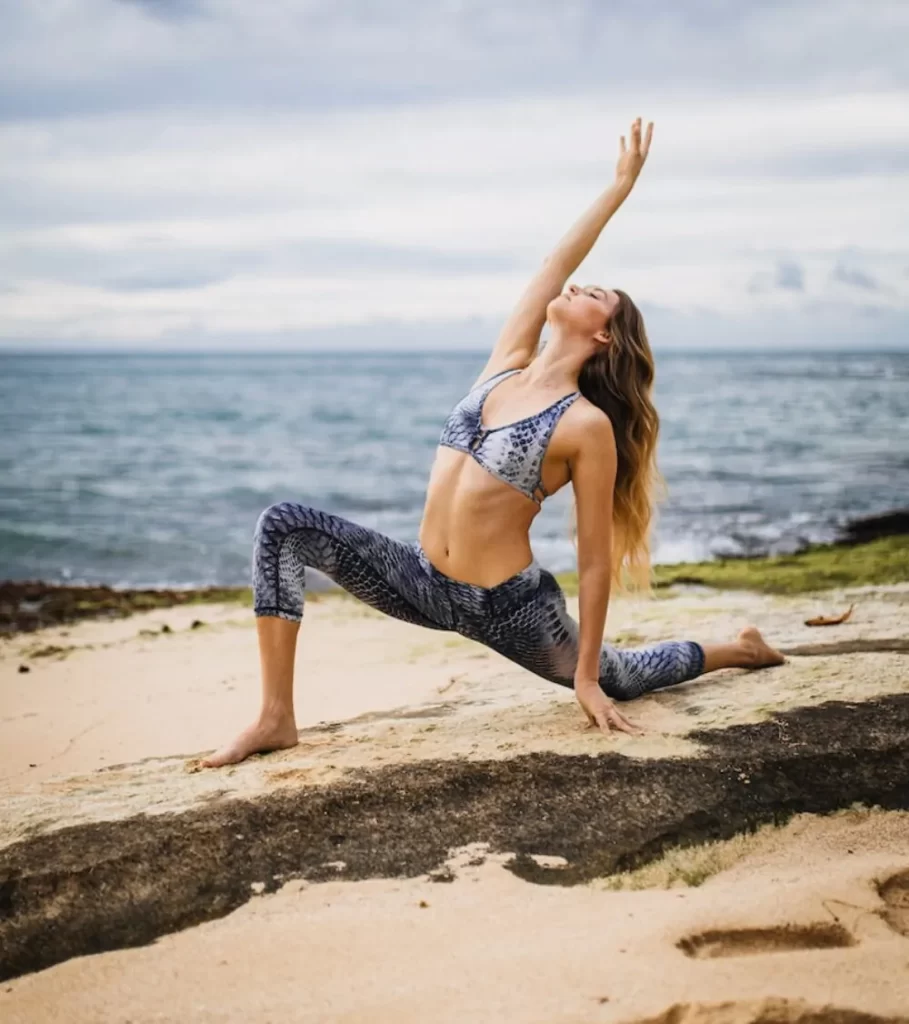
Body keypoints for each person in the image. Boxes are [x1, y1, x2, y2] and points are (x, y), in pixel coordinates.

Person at [202, 116, 784, 769]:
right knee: (283, 526)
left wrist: (584, 678)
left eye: (597, 293)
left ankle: (739, 650)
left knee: (622, 675)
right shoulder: (504, 364)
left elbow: (593, 562)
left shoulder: (584, 425)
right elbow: (555, 260)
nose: (577, 284)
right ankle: (275, 717)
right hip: (420, 580)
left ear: (604, 338)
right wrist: (617, 189)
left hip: (507, 607)